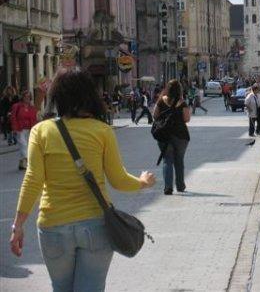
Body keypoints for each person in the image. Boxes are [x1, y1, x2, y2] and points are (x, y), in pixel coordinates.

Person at [9, 69, 156, 292]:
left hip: (53, 226)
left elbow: (33, 180)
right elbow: (118, 180)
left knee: (61, 288)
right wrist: (143, 182)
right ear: (89, 97)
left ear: (57, 97)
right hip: (95, 225)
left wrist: (18, 225)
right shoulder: (102, 131)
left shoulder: (41, 131)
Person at [153, 80, 191, 195]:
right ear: (179, 90)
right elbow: (186, 119)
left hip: (164, 135)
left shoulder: (161, 101)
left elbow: (155, 116)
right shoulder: (182, 103)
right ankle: (180, 186)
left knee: (167, 160)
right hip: (181, 136)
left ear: (167, 89)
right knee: (179, 161)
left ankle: (168, 187)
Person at [11, 90, 38, 171]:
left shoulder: (32, 107)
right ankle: (28, 161)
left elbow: (34, 119)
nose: (27, 98)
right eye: (26, 96)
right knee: (23, 145)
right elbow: (13, 118)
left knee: (26, 145)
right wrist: (14, 128)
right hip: (20, 129)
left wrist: (35, 129)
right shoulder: (17, 106)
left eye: (29, 97)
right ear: (22, 97)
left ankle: (21, 164)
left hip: (29, 129)